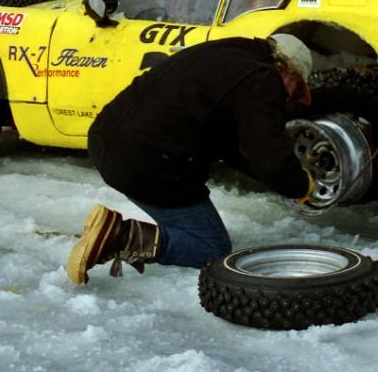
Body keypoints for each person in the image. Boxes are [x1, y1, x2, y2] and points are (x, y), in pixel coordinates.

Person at [67, 34, 315, 284]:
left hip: (107, 142)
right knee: (212, 248)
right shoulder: (262, 80)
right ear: (289, 72)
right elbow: (266, 153)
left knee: (188, 224)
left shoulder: (228, 54)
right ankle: (122, 236)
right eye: (295, 91)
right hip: (149, 162)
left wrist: (282, 180)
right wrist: (299, 185)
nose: (289, 98)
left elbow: (234, 147)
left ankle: (113, 231)